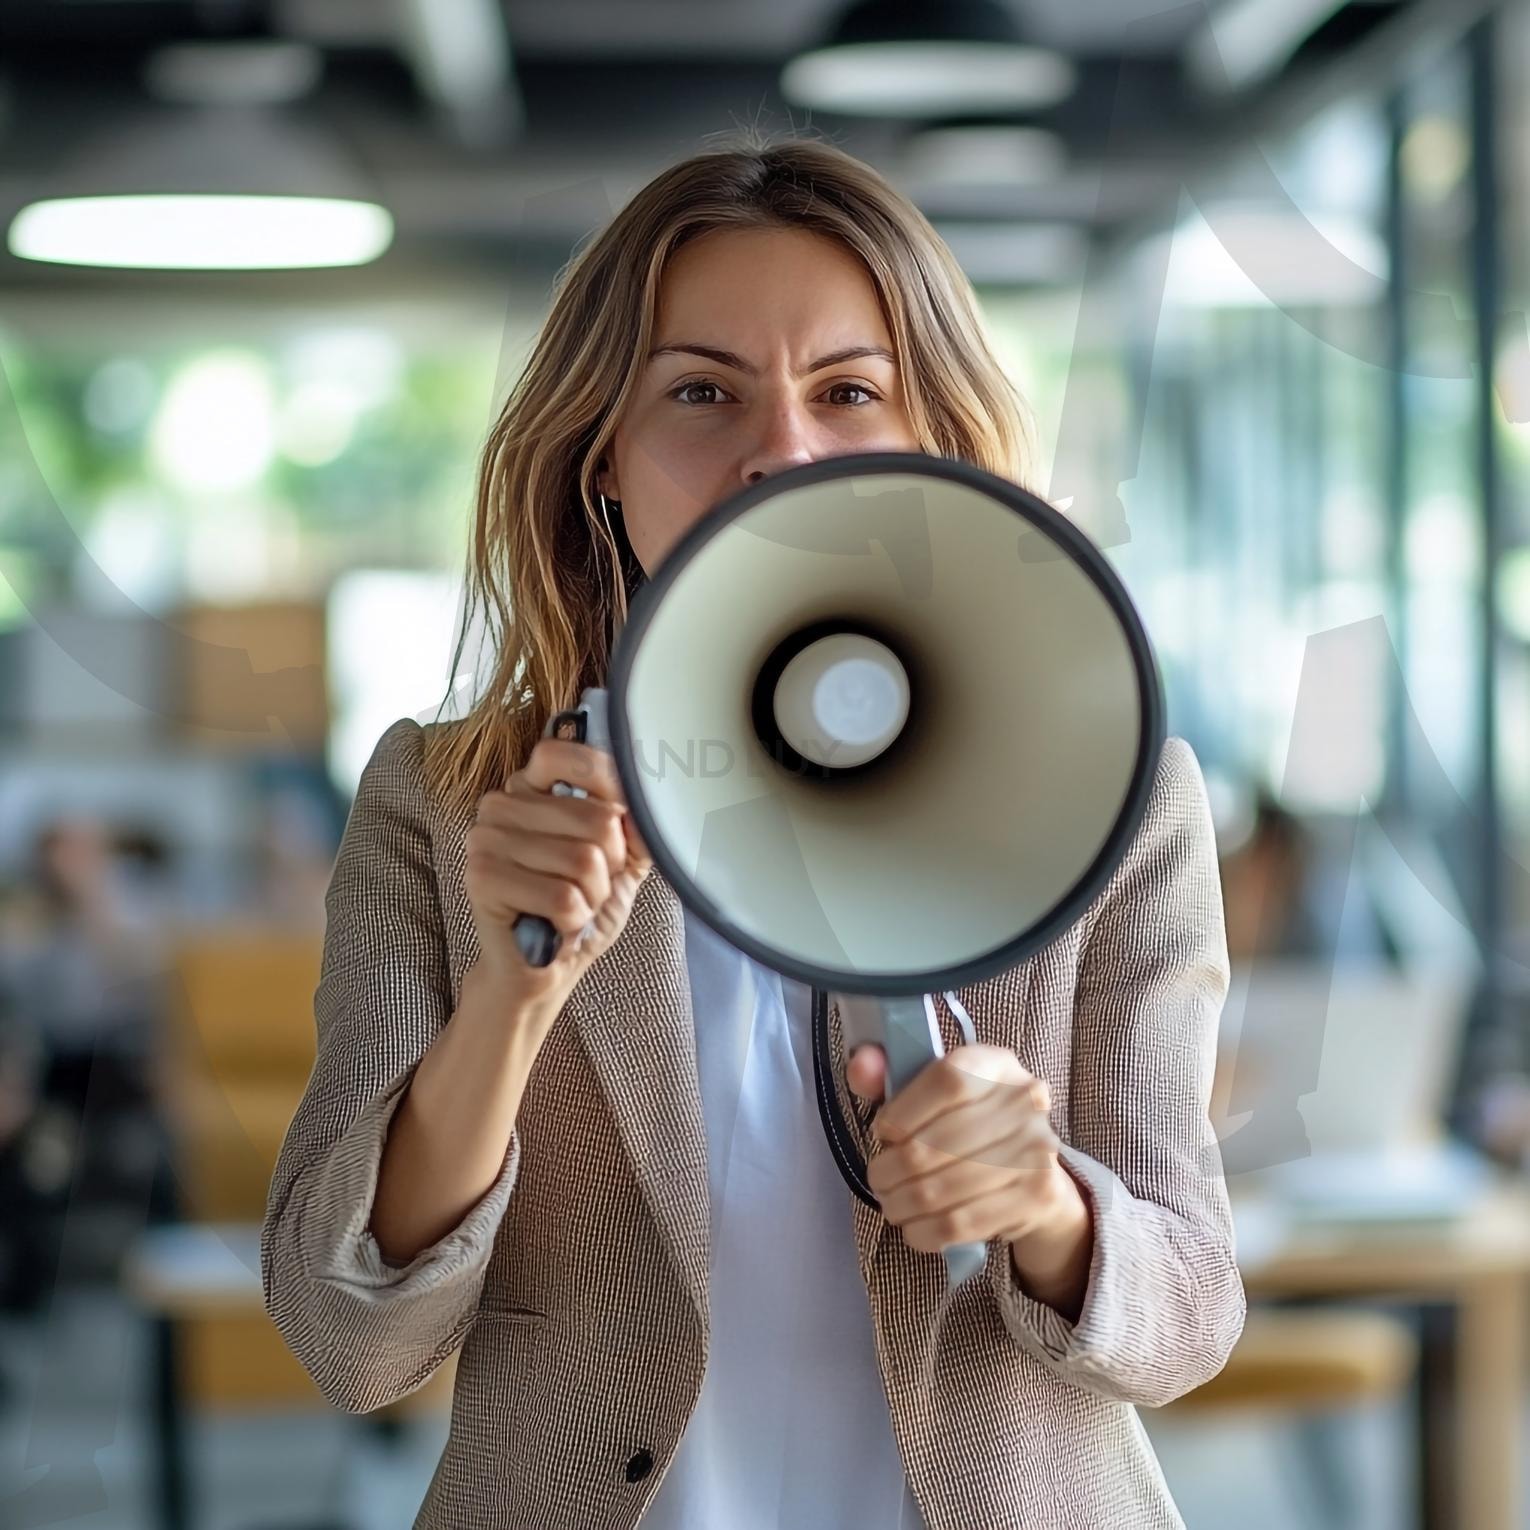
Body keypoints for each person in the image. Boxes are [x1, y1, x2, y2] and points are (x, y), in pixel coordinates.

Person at [261, 133, 1243, 1530]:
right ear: (603, 457)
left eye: (848, 390)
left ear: (934, 442)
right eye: (701, 392)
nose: (781, 449)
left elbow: (1190, 1310)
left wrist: (1044, 1209)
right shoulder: (449, 801)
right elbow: (344, 1337)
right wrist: (511, 997)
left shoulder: (1116, 800)